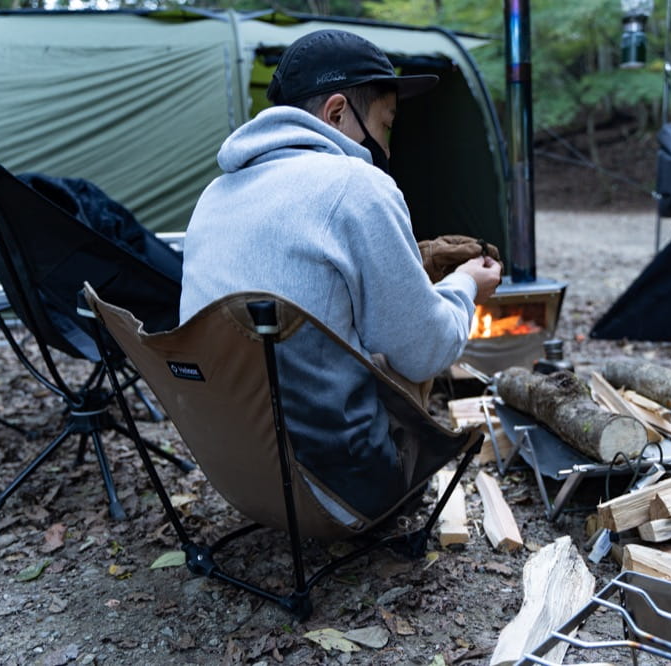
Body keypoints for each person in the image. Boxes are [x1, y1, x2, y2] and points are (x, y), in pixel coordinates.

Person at [179, 29, 502, 519]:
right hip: (340, 494)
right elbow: (426, 351)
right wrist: (465, 286)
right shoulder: (357, 184)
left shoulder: (214, 196)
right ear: (336, 114)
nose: (387, 145)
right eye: (386, 126)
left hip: (240, 477)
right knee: (397, 340)